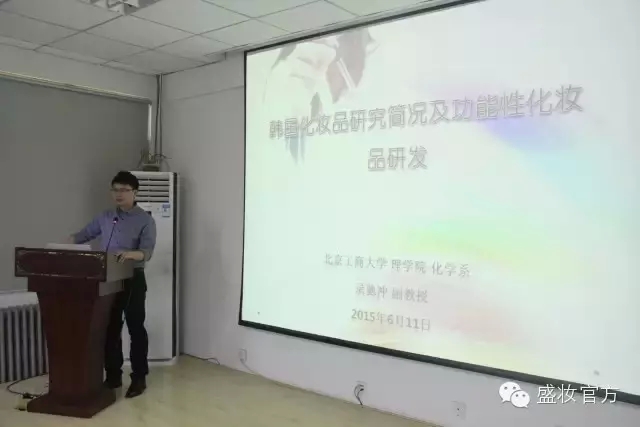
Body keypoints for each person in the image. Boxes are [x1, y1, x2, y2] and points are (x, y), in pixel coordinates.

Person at [69, 171, 156, 398]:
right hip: (107, 278)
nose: (119, 194)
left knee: (136, 328)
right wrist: (64, 244)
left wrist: (130, 254)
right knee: (110, 327)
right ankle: (113, 376)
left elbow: (147, 252)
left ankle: (139, 378)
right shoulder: (106, 216)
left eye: (124, 190)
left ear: (135, 193)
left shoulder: (145, 220)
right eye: (115, 189)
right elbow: (82, 236)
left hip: (132, 278)